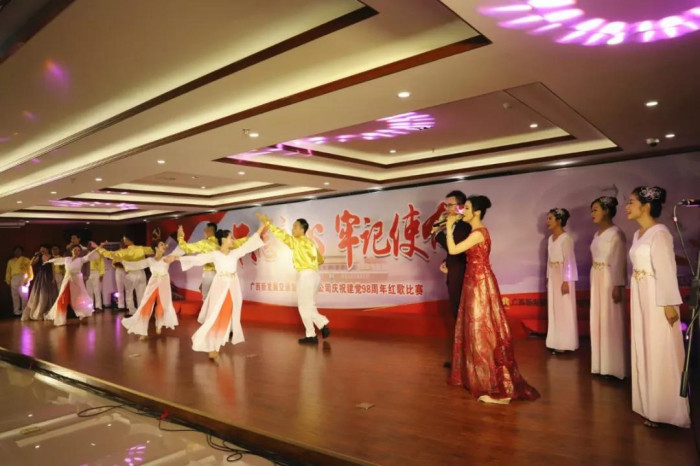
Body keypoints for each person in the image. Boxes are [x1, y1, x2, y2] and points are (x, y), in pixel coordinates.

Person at [445, 195, 539, 404]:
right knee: (476, 329)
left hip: (479, 284)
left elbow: (453, 249)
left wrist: (449, 227)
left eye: (466, 208)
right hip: (474, 282)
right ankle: (481, 378)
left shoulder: (479, 233)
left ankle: (492, 384)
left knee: (481, 330)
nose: (463, 211)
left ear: (477, 212)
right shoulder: (477, 232)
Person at [625, 186, 690, 428]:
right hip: (641, 296)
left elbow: (666, 270)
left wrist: (669, 304)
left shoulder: (660, 233)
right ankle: (649, 406)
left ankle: (667, 410)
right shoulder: (637, 234)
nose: (627, 207)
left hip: (657, 298)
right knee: (644, 346)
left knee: (660, 349)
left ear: (646, 206)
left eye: (631, 202)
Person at [172, 225, 265, 359]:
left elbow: (248, 245)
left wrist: (261, 227)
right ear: (224, 239)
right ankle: (210, 345)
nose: (233, 240)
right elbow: (197, 259)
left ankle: (216, 344)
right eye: (230, 237)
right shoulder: (215, 255)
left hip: (232, 288)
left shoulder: (235, 253)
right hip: (219, 286)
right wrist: (176, 258)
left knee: (226, 315)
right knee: (214, 315)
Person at [257, 213, 330, 344]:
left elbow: (282, 235)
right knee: (309, 305)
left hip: (305, 275)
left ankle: (319, 327)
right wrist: (310, 263)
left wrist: (268, 224)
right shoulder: (311, 243)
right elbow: (321, 260)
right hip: (314, 275)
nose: (292, 229)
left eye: (295, 226)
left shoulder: (297, 241)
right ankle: (314, 332)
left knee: (303, 306)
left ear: (302, 229)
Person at [431, 190, 472, 368]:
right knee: (457, 317)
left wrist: (437, 232)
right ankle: (460, 358)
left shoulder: (464, 225)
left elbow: (453, 247)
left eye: (449, 205)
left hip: (463, 277)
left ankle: (468, 358)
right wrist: (446, 262)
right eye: (445, 205)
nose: (446, 208)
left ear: (460, 207)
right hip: (454, 274)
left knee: (464, 318)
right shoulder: (453, 223)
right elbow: (453, 253)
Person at [589, 196, 628, 379]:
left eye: (595, 209)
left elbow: (620, 261)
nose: (592, 213)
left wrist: (618, 284)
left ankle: (614, 368)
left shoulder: (616, 233)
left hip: (609, 279)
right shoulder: (597, 234)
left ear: (606, 210)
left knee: (611, 320)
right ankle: (600, 365)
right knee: (598, 319)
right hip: (596, 277)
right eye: (592, 210)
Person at [120, 241, 179, 339]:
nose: (163, 246)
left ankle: (159, 324)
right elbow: (138, 264)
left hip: (164, 283)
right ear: (156, 248)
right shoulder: (150, 260)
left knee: (162, 304)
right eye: (161, 245)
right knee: (146, 304)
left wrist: (181, 241)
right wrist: (124, 262)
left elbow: (177, 253)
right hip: (153, 282)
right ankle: (142, 331)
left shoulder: (166, 258)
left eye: (164, 245)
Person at [177, 222, 248, 302]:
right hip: (221, 275)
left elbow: (186, 248)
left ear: (209, 231)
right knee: (220, 299)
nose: (204, 232)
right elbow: (240, 242)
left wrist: (180, 237)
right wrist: (256, 235)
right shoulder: (224, 242)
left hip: (210, 274)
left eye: (205, 230)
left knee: (207, 299)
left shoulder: (205, 243)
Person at [545, 208, 579, 353]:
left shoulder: (566, 239)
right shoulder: (550, 239)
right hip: (553, 275)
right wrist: (548, 277)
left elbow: (569, 260)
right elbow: (549, 260)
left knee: (564, 309)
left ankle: (566, 343)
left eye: (550, 218)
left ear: (559, 220)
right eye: (547, 218)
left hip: (563, 276)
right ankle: (555, 341)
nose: (547, 221)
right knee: (554, 309)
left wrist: (566, 280)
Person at [93, 235, 154, 315]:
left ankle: (132, 312)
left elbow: (109, 254)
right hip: (141, 273)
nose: (124, 241)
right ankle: (141, 312)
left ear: (128, 240)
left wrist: (97, 248)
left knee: (129, 294)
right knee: (141, 294)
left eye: (125, 239)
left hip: (131, 274)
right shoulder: (141, 248)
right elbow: (154, 250)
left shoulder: (124, 252)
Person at [45, 245, 99, 326]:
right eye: (75, 250)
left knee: (79, 298)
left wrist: (98, 247)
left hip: (76, 281)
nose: (77, 252)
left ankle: (82, 313)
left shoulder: (81, 260)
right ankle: (60, 318)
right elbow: (58, 260)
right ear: (71, 251)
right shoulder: (67, 259)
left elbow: (89, 256)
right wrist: (48, 261)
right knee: (62, 298)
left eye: (78, 250)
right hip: (67, 280)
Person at [21, 245, 58, 321]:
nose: (42, 250)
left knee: (49, 294)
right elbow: (31, 264)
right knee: (41, 294)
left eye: (44, 249)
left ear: (47, 249)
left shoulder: (51, 257)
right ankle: (38, 313)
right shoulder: (39, 257)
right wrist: (35, 256)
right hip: (40, 277)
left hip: (48, 276)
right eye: (41, 249)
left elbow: (53, 268)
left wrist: (54, 278)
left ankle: (48, 312)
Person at [5, 246, 33, 316]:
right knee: (15, 295)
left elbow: (30, 270)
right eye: (16, 250)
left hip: (23, 277)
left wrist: (28, 279)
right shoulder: (10, 261)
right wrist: (8, 281)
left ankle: (25, 311)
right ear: (14, 252)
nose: (17, 252)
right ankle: (16, 311)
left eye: (19, 250)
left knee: (24, 296)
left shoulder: (26, 260)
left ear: (22, 252)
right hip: (14, 278)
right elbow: (8, 272)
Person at [85, 245, 105, 312]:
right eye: (89, 245)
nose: (90, 246)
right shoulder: (85, 254)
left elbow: (101, 263)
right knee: (89, 291)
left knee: (97, 290)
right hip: (87, 273)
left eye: (91, 245)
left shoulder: (97, 254)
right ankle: (90, 307)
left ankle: (98, 306)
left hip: (95, 272)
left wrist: (101, 274)